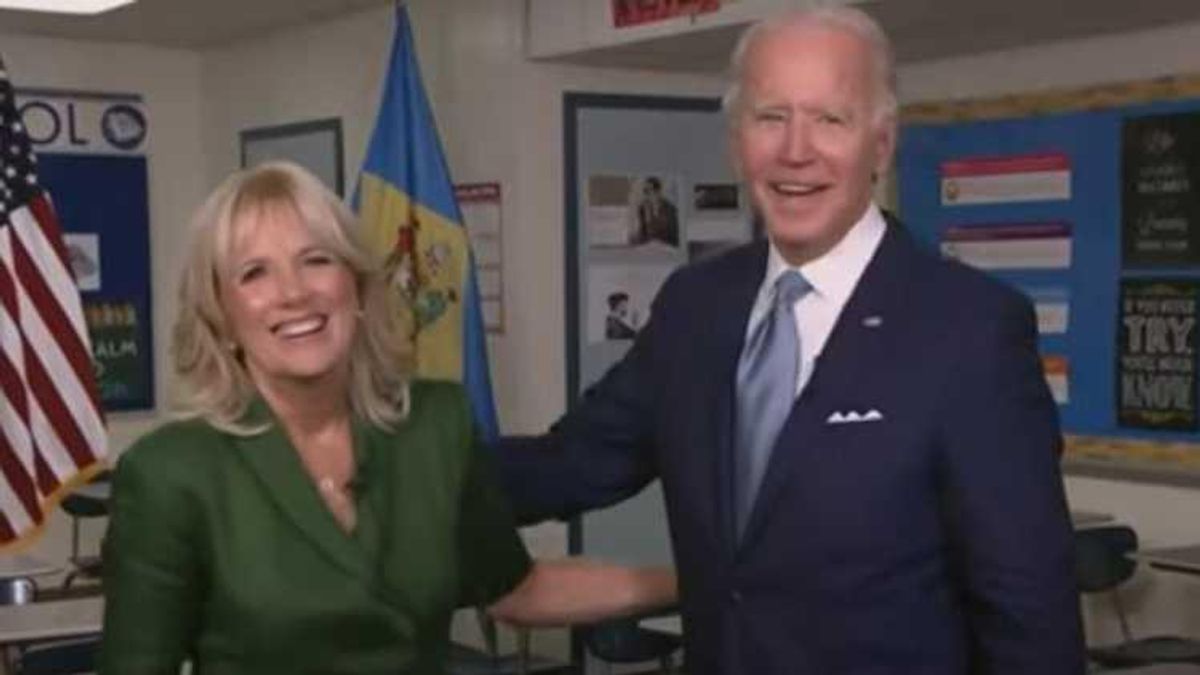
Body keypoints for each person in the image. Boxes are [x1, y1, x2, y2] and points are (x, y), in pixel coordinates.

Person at [496, 7, 1085, 675]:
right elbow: (572, 461)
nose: (795, 150)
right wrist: (402, 462)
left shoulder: (969, 328)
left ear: (881, 144)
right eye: (771, 117)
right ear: (736, 140)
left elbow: (1029, 610)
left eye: (830, 119)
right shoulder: (695, 305)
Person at [99, 161, 676, 675]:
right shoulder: (170, 472)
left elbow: (516, 590)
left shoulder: (436, 424)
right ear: (220, 315)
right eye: (254, 273)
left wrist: (701, 582)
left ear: (355, 286)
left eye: (316, 260)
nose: (293, 292)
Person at [635, 176, 680, 246]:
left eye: (649, 190)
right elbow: (642, 232)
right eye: (645, 191)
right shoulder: (642, 208)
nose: (647, 194)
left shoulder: (670, 208)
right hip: (650, 246)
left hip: (667, 245)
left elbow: (674, 234)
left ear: (658, 191)